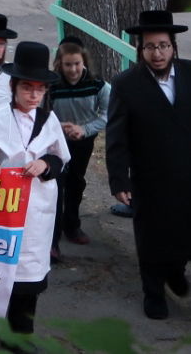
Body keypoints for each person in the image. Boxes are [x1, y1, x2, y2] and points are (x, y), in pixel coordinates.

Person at [105, 9, 191, 321]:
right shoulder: (126, 84)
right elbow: (116, 137)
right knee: (152, 237)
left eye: (163, 45)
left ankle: (175, 272)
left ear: (174, 46)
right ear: (141, 49)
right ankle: (153, 293)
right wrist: (120, 180)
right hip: (149, 177)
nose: (157, 53)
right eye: (150, 47)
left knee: (189, 230)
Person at [0, 41, 70, 335]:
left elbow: (61, 159)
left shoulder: (49, 120)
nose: (33, 95)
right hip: (1, 210)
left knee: (29, 277)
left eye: (39, 89)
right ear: (14, 87)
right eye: (27, 88)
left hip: (36, 211)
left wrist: (46, 165)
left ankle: (21, 335)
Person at [49, 38, 110, 259]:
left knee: (76, 181)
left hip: (83, 141)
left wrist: (84, 129)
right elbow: (41, 114)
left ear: (84, 62)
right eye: (68, 65)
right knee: (55, 186)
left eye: (77, 64)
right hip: (56, 142)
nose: (73, 69)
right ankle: (51, 241)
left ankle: (72, 224)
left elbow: (107, 114)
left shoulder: (98, 85)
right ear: (59, 64)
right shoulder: (51, 86)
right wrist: (58, 127)